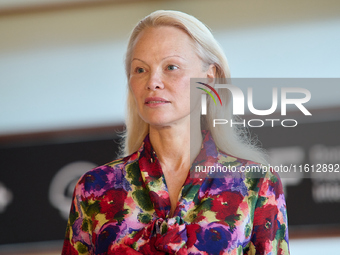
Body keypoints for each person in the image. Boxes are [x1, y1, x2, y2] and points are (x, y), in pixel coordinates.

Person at [62, 10, 289, 255]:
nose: (153, 82)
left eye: (171, 67)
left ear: (209, 79)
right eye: (140, 70)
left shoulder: (256, 183)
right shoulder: (94, 189)